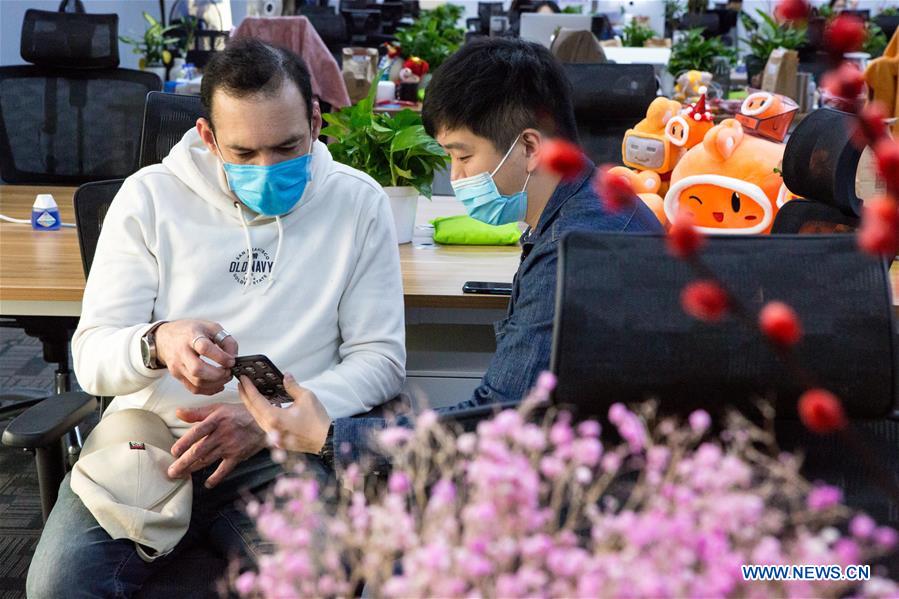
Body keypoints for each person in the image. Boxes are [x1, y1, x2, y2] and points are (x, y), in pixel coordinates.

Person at [27, 38, 405, 597]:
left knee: (318, 582)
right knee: (58, 588)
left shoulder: (358, 202)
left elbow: (381, 360)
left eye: (287, 147)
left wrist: (271, 420)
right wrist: (158, 342)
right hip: (150, 444)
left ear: (317, 122)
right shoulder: (148, 199)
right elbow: (92, 357)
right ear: (208, 137)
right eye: (245, 154)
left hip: (279, 451)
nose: (268, 168)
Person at [237, 38, 662, 471]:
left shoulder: (572, 254)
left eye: (463, 155)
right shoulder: (592, 206)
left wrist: (327, 436)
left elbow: (499, 426)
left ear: (530, 148)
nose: (456, 177)